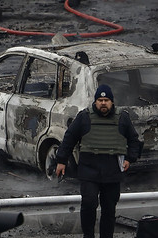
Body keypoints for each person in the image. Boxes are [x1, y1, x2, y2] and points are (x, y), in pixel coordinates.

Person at [54, 84, 142, 238]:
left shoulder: (122, 118)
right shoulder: (84, 117)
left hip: (113, 170)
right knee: (89, 204)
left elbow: (134, 140)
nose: (103, 103)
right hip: (89, 170)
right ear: (95, 102)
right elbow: (69, 138)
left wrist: (130, 158)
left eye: (106, 100)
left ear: (112, 102)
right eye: (100, 100)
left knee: (109, 208)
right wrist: (61, 161)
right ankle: (88, 236)